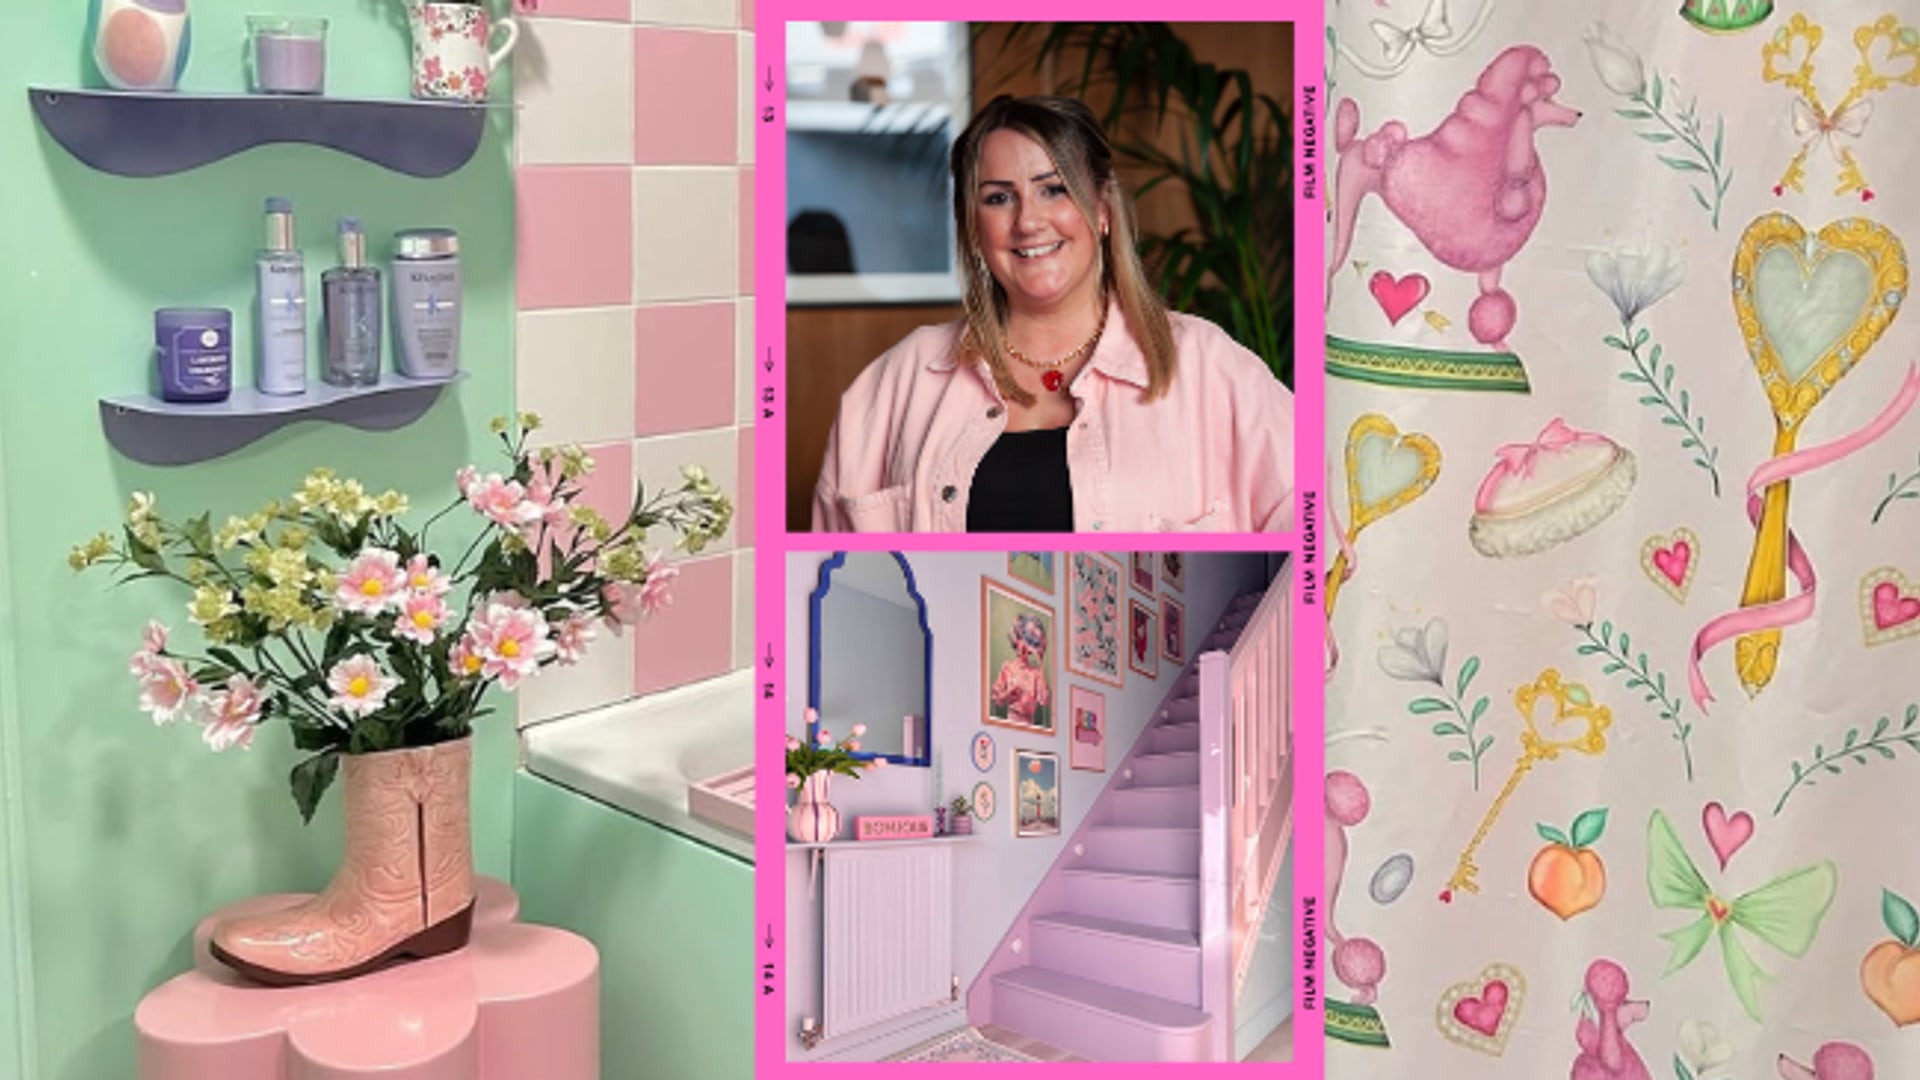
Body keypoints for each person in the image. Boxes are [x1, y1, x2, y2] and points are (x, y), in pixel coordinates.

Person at [811, 94, 1295, 533]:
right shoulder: (896, 382)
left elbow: (1322, 547)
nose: (1027, 221)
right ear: (974, 226)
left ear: (1102, 209)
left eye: (1054, 189)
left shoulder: (1210, 369)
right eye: (999, 198)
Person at [989, 613, 1050, 729]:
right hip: (1011, 724)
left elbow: (1044, 700)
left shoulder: (1035, 673)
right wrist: (1009, 692)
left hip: (1030, 727)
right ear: (1015, 639)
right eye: (1019, 638)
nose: (1022, 645)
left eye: (1026, 640)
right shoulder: (1007, 667)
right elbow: (997, 700)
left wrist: (1041, 660)